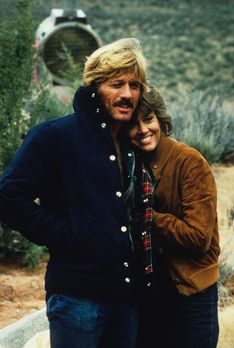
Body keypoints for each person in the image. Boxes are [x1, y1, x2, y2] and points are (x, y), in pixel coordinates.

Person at [0, 38, 149, 348]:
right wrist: (69, 237)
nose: (127, 94)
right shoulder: (55, 136)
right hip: (77, 298)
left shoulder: (133, 144)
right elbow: (10, 198)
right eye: (116, 84)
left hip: (127, 299)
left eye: (134, 85)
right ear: (95, 87)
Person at [127, 85, 220, 348]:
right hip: (149, 295)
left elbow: (199, 237)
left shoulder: (189, 162)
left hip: (191, 292)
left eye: (149, 119)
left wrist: (148, 216)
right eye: (134, 124)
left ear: (160, 119)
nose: (144, 130)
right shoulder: (130, 164)